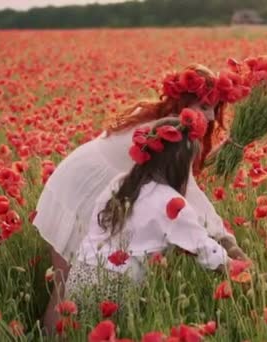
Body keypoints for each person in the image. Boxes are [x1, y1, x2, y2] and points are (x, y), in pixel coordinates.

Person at [33, 64, 250, 332]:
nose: (209, 117)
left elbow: (186, 176)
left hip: (87, 182)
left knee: (76, 283)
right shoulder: (164, 136)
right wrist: (229, 244)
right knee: (67, 283)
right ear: (182, 101)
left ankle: (58, 335)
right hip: (78, 189)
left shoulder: (163, 128)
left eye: (213, 109)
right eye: (203, 106)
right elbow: (190, 198)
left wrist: (232, 146)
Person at [65, 116, 232, 310]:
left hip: (79, 275)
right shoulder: (171, 201)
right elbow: (205, 248)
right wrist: (241, 271)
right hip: (115, 285)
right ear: (180, 166)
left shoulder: (120, 184)